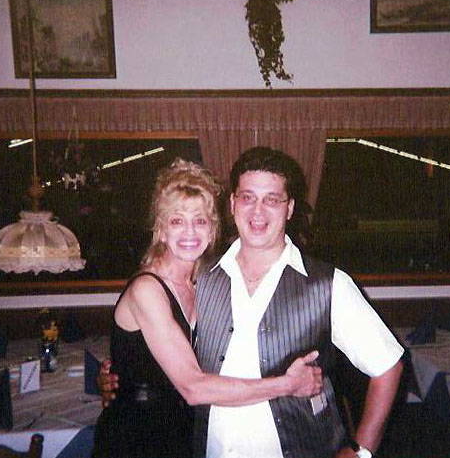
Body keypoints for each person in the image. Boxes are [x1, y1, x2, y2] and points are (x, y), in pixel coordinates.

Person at [91, 158, 323, 458]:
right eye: (177, 221)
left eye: (200, 220)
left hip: (185, 434)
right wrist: (287, 385)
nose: (190, 232)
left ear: (212, 229)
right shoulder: (147, 290)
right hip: (136, 439)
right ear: (161, 229)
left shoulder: (207, 281)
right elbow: (193, 387)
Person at [192, 146, 404, 458]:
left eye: (272, 200)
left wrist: (361, 451)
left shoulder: (328, 284)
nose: (258, 211)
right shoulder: (201, 277)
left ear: (289, 208)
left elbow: (387, 366)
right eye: (248, 197)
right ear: (233, 203)